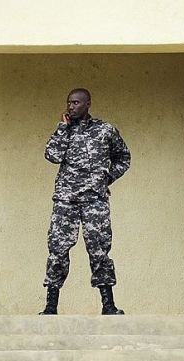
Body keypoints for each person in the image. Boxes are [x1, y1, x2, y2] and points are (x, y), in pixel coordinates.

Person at [39, 88, 130, 315]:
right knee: (58, 251)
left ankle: (108, 305)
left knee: (99, 251)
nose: (72, 106)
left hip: (94, 201)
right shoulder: (64, 130)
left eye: (77, 102)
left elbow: (123, 157)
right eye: (69, 102)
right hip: (65, 200)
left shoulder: (105, 130)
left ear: (88, 103)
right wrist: (63, 128)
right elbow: (52, 156)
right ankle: (51, 306)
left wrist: (105, 179)